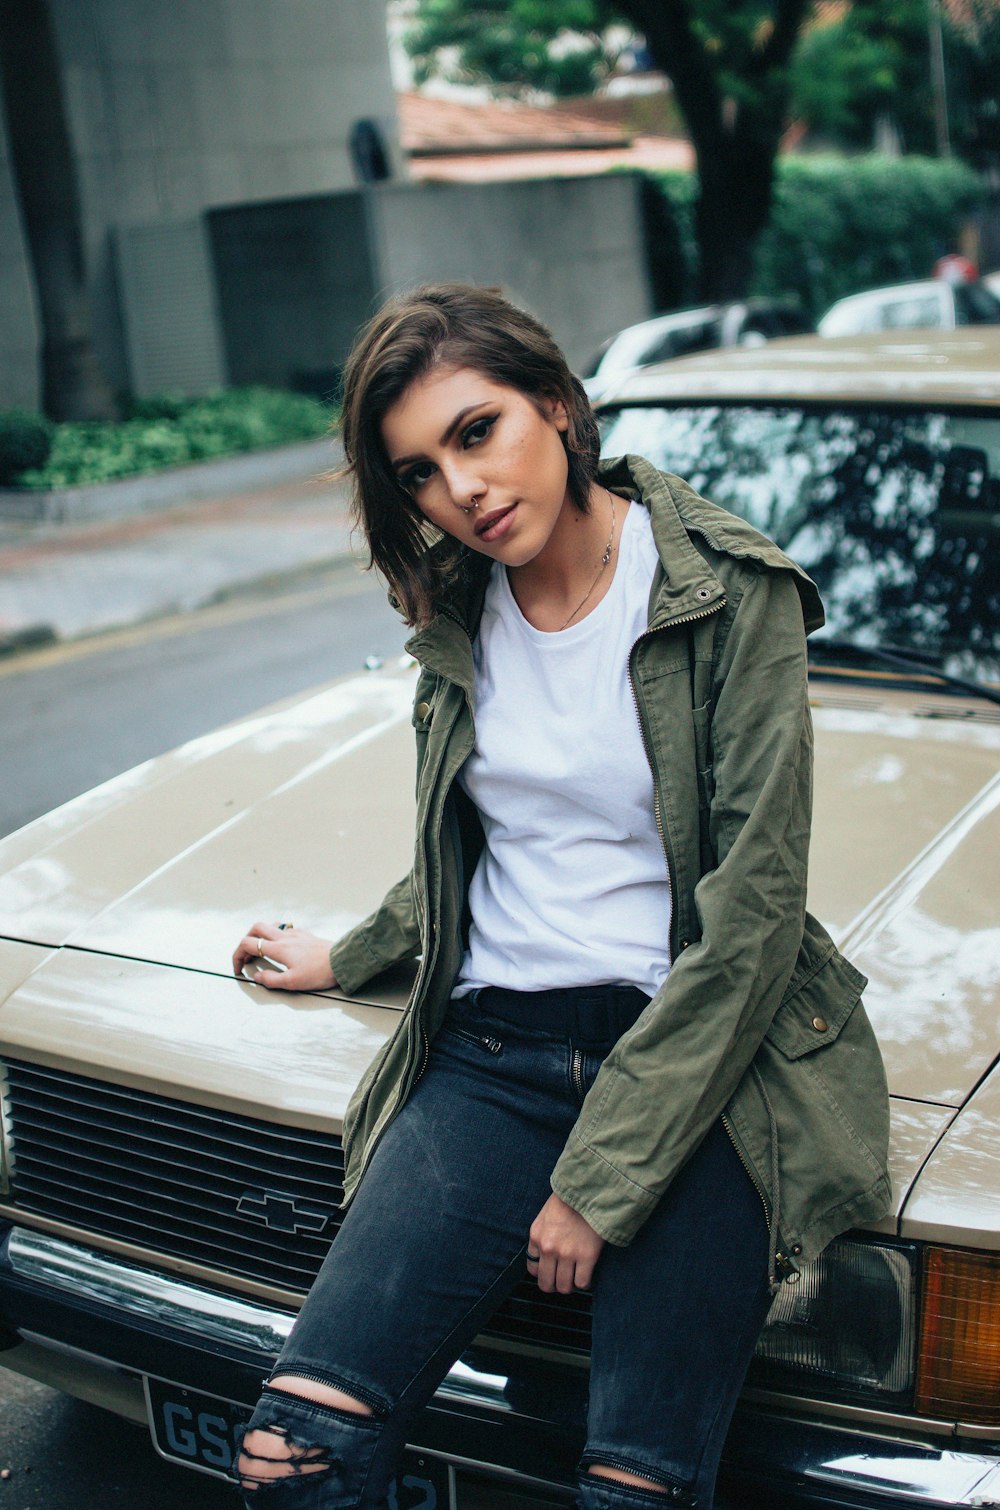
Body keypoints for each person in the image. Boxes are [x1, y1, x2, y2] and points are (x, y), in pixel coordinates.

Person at [231, 283, 891, 1509]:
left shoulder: (727, 594)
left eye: (477, 432)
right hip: (496, 1052)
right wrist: (369, 946)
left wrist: (602, 1175)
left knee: (628, 1492)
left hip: (700, 1073)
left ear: (557, 405)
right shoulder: (461, 605)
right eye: (419, 472)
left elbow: (749, 917)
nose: (461, 491)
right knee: (290, 1456)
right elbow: (472, 836)